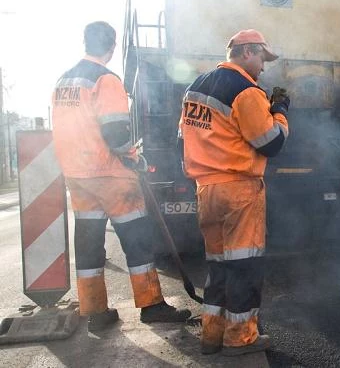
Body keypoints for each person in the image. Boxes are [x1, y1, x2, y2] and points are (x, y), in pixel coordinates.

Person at [51, 21, 191, 331]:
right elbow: (115, 133)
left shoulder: (63, 81)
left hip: (77, 175)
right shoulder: (106, 80)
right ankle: (152, 305)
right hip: (111, 176)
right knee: (138, 241)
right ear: (112, 47)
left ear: (85, 43)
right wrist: (136, 158)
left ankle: (95, 312)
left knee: (89, 245)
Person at [179, 29, 289, 356]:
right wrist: (281, 110)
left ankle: (211, 336)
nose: (264, 68)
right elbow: (272, 143)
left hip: (206, 190)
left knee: (217, 267)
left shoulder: (194, 88)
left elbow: (181, 138)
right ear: (246, 52)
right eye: (262, 59)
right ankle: (240, 337)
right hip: (239, 192)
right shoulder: (247, 91)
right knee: (244, 266)